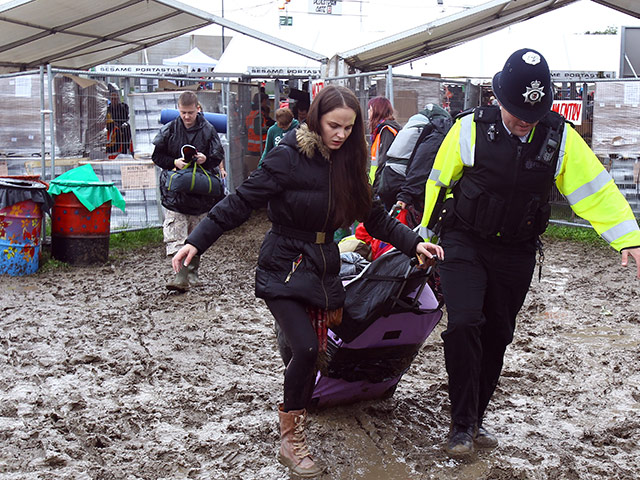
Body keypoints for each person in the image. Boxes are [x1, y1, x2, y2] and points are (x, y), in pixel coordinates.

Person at [171, 85, 443, 477]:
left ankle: (320, 389)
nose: (341, 135)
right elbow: (240, 202)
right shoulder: (287, 156)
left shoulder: (350, 163)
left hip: (324, 267)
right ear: (316, 119)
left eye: (349, 128)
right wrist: (196, 242)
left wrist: (414, 244)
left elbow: (377, 218)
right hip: (282, 263)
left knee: (322, 344)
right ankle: (291, 440)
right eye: (334, 125)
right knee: (305, 347)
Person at [419, 48, 640, 458]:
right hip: (464, 241)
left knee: (498, 333)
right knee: (463, 324)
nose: (523, 121)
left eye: (531, 114)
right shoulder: (470, 128)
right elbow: (438, 182)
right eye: (515, 112)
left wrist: (628, 237)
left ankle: (476, 417)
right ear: (498, 100)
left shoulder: (559, 136)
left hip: (517, 249)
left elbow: (594, 190)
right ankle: (460, 427)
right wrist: (424, 237)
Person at [152, 91, 226, 292]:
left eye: (190, 112)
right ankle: (181, 276)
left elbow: (218, 154)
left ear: (198, 109)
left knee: (196, 233)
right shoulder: (169, 130)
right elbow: (157, 156)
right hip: (175, 192)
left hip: (200, 192)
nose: (187, 116)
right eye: (183, 112)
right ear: (178, 109)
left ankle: (192, 272)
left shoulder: (208, 130)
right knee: (176, 233)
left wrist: (205, 159)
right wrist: (173, 162)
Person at [367, 96, 400, 206]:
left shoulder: (387, 131)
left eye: (370, 109)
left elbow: (384, 161)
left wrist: (376, 188)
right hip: (380, 186)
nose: (368, 112)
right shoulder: (382, 130)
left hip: (384, 187)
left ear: (377, 111)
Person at [244, 92, 271, 177]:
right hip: (258, 147)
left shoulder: (251, 112)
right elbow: (257, 130)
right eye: (266, 101)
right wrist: (267, 128)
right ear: (263, 101)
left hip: (251, 145)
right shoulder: (258, 114)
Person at [106, 90, 133, 157]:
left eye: (115, 99)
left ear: (118, 99)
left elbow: (126, 117)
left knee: (127, 128)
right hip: (112, 126)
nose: (114, 101)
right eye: (112, 99)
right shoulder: (108, 109)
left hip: (122, 124)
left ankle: (126, 149)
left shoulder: (123, 107)